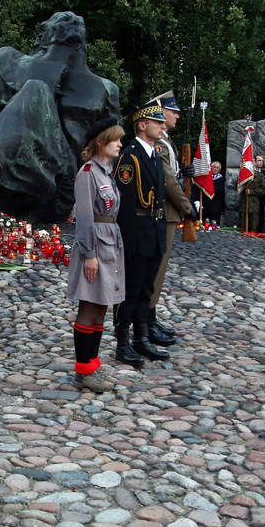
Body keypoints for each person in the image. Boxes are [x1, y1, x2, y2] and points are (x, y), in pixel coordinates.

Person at [67, 118, 126, 392]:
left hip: (110, 244)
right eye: (116, 139)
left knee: (102, 306)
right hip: (95, 248)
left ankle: (93, 364)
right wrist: (90, 254)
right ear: (101, 142)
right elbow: (85, 218)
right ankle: (84, 370)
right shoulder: (88, 173)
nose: (120, 143)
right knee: (89, 307)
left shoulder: (106, 172)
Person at [112, 103, 169, 366]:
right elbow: (124, 205)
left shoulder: (155, 154)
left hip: (154, 230)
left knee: (147, 288)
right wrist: (127, 242)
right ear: (142, 125)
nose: (163, 125)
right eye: (157, 122)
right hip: (136, 232)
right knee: (130, 290)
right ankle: (123, 343)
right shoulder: (130, 157)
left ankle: (142, 337)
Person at [146, 91, 195, 347]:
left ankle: (150, 318)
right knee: (155, 271)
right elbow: (167, 181)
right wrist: (187, 207)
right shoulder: (157, 143)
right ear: (160, 113)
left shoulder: (165, 142)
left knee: (159, 271)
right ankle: (146, 322)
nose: (176, 115)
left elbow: (172, 174)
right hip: (163, 211)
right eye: (172, 111)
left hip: (168, 212)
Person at [239, 154, 265, 233]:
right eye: (259, 160)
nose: (261, 162)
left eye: (262, 161)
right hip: (244, 203)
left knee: (253, 227)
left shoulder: (260, 175)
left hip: (254, 204)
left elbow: (263, 189)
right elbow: (237, 185)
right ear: (253, 161)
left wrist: (252, 191)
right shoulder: (244, 173)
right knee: (242, 227)